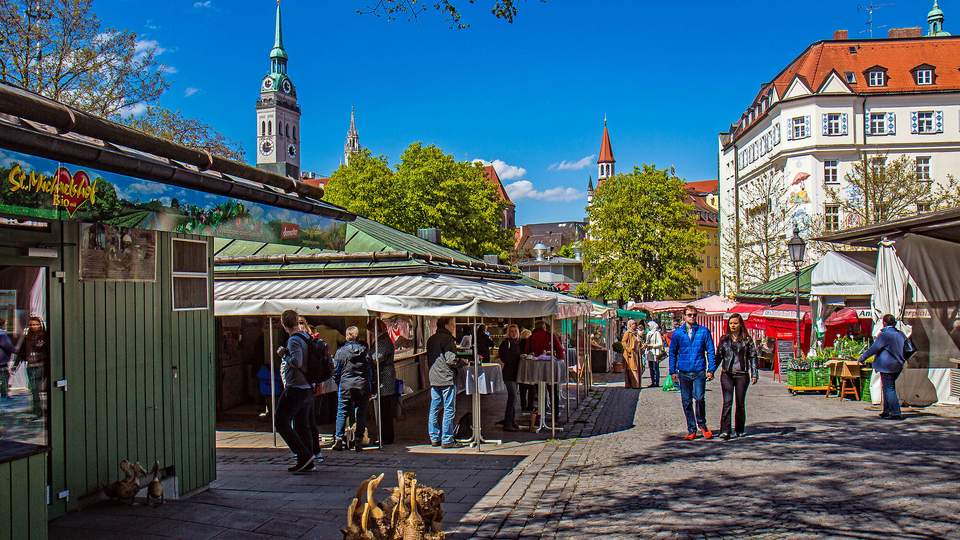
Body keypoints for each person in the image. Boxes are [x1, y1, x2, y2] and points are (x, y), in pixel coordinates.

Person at [275, 310, 317, 472]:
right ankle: (308, 459)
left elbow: (297, 362)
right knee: (301, 424)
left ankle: (303, 454)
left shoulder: (293, 340)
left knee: (280, 421)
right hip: (307, 386)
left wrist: (284, 354)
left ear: (284, 323)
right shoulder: (306, 336)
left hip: (296, 387)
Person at [669, 306, 717, 440]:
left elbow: (711, 351)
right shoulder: (678, 333)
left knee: (700, 398)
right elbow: (672, 353)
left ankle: (702, 424)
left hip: (699, 370)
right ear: (684, 316)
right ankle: (691, 428)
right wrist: (672, 371)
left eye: (694, 315)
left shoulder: (703, 331)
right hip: (683, 371)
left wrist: (711, 369)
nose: (692, 317)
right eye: (689, 315)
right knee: (686, 401)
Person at [715, 314, 758, 439]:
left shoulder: (747, 340)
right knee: (727, 402)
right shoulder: (724, 339)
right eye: (731, 323)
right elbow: (718, 356)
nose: (733, 325)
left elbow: (753, 356)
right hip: (727, 374)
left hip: (742, 375)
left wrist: (754, 373)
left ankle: (739, 429)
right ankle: (725, 430)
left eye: (735, 323)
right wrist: (711, 370)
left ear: (740, 324)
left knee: (740, 403)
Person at [858, 314, 907, 420]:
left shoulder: (885, 335)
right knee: (887, 387)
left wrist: (862, 358)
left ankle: (895, 412)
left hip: (887, 365)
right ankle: (886, 410)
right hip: (898, 364)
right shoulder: (901, 334)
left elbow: (874, 348)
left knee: (889, 388)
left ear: (884, 322)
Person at [332, 326, 372, 451]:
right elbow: (369, 370)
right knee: (360, 413)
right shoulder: (365, 350)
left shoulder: (340, 352)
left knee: (342, 411)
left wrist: (339, 382)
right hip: (361, 385)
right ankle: (358, 440)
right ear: (357, 336)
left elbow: (336, 371)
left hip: (345, 385)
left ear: (347, 335)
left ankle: (339, 439)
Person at [427, 318, 463, 449]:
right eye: (453, 324)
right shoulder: (447, 339)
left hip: (434, 378)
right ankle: (447, 439)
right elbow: (451, 359)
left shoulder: (431, 339)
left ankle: (434, 437)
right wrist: (462, 362)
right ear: (446, 325)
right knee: (449, 409)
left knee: (434, 408)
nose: (454, 326)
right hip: (446, 377)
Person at [367, 318, 397, 445]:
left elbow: (377, 358)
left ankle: (386, 437)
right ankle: (385, 436)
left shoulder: (383, 341)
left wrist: (367, 355)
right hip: (384, 379)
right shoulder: (382, 340)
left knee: (385, 410)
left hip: (384, 379)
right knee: (384, 409)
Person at [15, 316, 48, 416]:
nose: (34, 326)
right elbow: (21, 352)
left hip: (42, 365)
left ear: (40, 325)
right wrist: (16, 364)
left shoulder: (45, 336)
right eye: (32, 325)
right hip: (31, 366)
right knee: (34, 389)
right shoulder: (26, 338)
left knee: (38, 388)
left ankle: (40, 410)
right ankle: (37, 409)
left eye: (36, 324)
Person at [498, 324, 522, 432]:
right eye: (511, 331)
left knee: (514, 398)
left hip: (516, 374)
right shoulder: (505, 343)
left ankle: (511, 421)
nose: (513, 333)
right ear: (508, 332)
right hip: (508, 373)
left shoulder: (517, 343)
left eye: (515, 331)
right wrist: (516, 358)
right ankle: (507, 423)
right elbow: (504, 357)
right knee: (512, 397)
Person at [621, 319, 642, 389]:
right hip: (630, 354)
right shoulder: (627, 332)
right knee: (632, 368)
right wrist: (628, 349)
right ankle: (633, 384)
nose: (635, 325)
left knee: (636, 368)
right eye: (633, 324)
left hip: (636, 353)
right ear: (630, 325)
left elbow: (638, 342)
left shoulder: (635, 333)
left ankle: (636, 384)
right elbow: (623, 342)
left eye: (635, 324)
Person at [518, 328, 535, 412]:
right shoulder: (530, 344)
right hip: (530, 369)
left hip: (521, 369)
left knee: (522, 389)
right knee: (531, 388)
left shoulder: (518, 343)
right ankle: (530, 405)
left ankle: (523, 405)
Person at [644, 321, 664, 388]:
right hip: (649, 353)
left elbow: (660, 343)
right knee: (651, 368)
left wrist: (652, 345)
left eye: (649, 325)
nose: (648, 327)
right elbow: (647, 341)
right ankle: (653, 382)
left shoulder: (657, 333)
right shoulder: (649, 333)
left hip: (655, 353)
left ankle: (656, 382)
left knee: (656, 368)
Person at [0, 318, 14, 400]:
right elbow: (8, 346)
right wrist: (16, 350)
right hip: (2, 361)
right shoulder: (2, 334)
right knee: (4, 377)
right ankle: (5, 395)